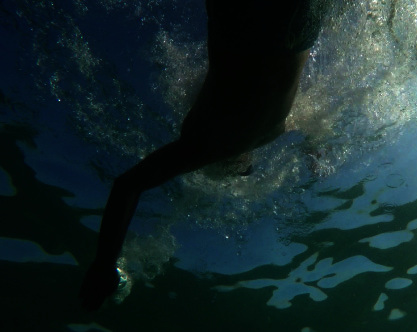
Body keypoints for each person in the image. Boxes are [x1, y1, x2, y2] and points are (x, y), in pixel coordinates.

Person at [79, 0, 329, 310]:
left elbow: (127, 186)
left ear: (231, 165)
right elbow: (307, 122)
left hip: (261, 30)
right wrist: (313, 148)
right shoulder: (263, 132)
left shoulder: (218, 142)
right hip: (277, 31)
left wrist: (104, 264)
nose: (248, 166)